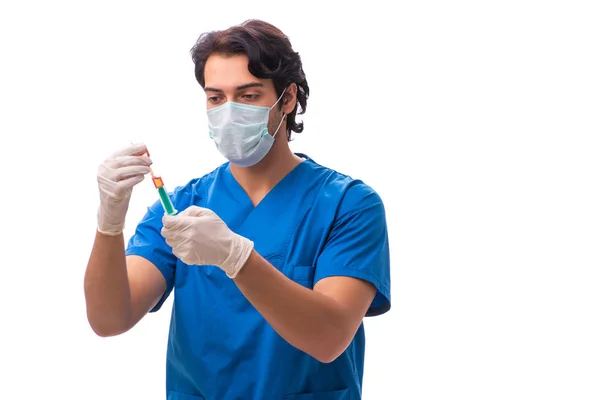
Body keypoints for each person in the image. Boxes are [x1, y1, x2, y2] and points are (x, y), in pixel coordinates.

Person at [84, 19, 391, 400]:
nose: (228, 112)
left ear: (288, 98)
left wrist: (237, 258)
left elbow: (328, 338)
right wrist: (109, 223)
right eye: (216, 98)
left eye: (248, 96)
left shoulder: (349, 205)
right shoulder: (182, 206)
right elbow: (110, 318)